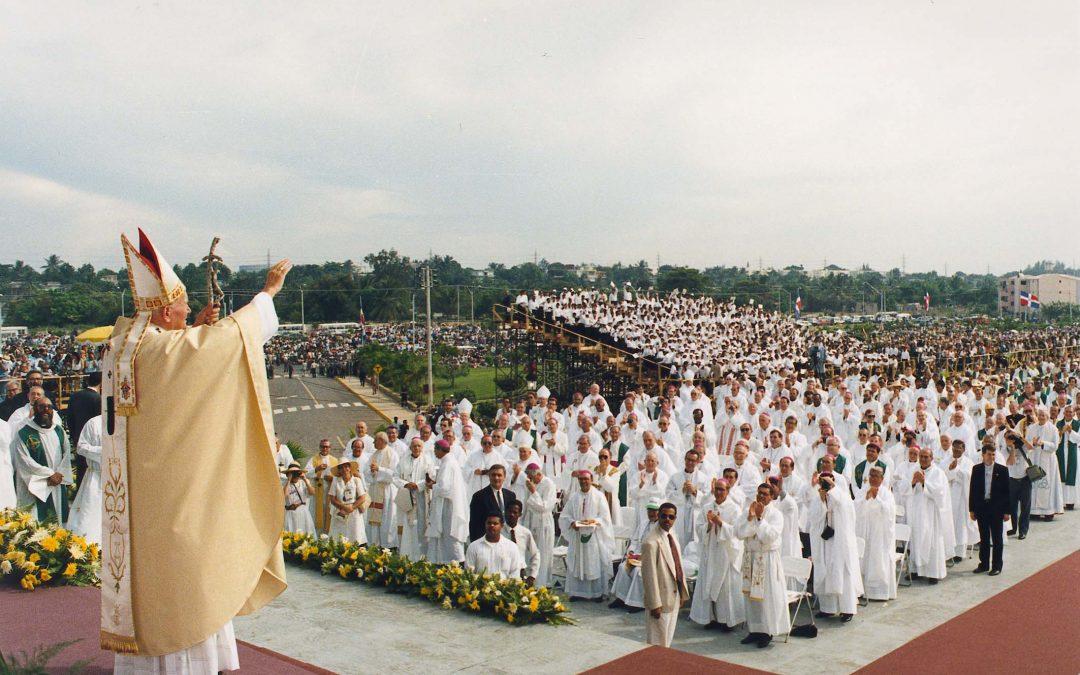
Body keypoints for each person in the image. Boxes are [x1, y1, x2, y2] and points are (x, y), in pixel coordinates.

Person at [102, 230, 290, 670]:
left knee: (156, 580)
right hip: (174, 499)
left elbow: (180, 359)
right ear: (167, 311)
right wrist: (266, 295)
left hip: (140, 497)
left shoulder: (126, 345)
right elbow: (227, 342)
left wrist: (194, 328)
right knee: (190, 580)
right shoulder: (168, 348)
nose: (190, 311)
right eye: (184, 307)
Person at [736, 483, 790, 648]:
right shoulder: (748, 510)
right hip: (750, 557)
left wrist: (759, 519)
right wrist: (751, 518)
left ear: (772, 496)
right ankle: (754, 629)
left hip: (766, 559)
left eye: (765, 494)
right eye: (759, 493)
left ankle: (766, 632)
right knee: (751, 598)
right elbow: (739, 533)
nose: (760, 497)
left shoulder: (776, 514)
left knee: (766, 597)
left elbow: (770, 536)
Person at [689, 479, 745, 631]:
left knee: (725, 587)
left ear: (728, 491)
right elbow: (699, 528)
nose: (719, 492)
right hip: (711, 551)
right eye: (717, 489)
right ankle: (710, 617)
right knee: (708, 582)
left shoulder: (734, 509)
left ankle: (727, 620)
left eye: (722, 490)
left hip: (725, 553)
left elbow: (737, 532)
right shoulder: (707, 507)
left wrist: (721, 523)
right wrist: (708, 524)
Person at [808, 472, 862, 621]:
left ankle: (848, 609)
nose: (825, 486)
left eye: (829, 483)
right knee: (825, 571)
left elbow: (842, 507)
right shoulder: (818, 498)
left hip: (840, 543)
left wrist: (832, 488)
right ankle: (828, 608)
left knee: (843, 573)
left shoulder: (845, 499)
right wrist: (821, 500)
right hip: (824, 543)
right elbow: (813, 518)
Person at [12, 397, 72, 521]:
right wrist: (50, 474)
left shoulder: (59, 431)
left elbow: (66, 454)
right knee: (38, 524)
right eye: (41, 406)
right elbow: (24, 461)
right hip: (37, 486)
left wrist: (59, 473)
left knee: (59, 519)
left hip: (57, 482)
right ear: (34, 409)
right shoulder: (24, 433)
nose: (46, 409)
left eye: (49, 407)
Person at [640, 502, 690, 648]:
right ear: (658, 516)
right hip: (660, 602)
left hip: (673, 598)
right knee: (656, 644)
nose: (667, 519)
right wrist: (655, 604)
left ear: (675, 519)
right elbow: (649, 576)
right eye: (664, 516)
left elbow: (677, 566)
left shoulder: (671, 536)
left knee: (666, 642)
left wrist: (681, 593)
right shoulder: (650, 542)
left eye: (671, 517)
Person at [559, 470, 614, 601]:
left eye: (586, 479)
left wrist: (594, 521)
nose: (583, 482)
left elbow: (605, 517)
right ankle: (577, 592)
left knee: (593, 562)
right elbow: (564, 515)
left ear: (591, 480)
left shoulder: (599, 496)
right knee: (578, 562)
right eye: (581, 479)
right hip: (578, 536)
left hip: (594, 537)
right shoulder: (574, 497)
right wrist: (572, 523)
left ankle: (596, 593)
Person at [906, 448, 955, 584]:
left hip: (931, 513)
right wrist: (912, 482)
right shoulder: (914, 470)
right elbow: (904, 489)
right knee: (916, 539)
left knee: (932, 542)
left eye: (926, 457)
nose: (923, 459)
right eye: (921, 456)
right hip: (916, 512)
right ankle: (916, 570)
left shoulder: (938, 473)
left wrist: (923, 482)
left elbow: (940, 494)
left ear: (932, 458)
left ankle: (933, 573)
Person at [854, 466, 897, 601]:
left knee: (879, 561)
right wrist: (866, 498)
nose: (872, 478)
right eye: (871, 475)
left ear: (882, 479)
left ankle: (879, 593)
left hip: (880, 534)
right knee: (865, 558)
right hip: (865, 531)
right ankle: (864, 591)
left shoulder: (886, 493)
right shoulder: (863, 491)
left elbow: (890, 512)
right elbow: (855, 507)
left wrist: (877, 498)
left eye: (876, 476)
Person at [609, 502, 659, 613]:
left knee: (637, 571)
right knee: (622, 567)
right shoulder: (643, 524)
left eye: (654, 511)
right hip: (637, 557)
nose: (651, 513)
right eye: (649, 510)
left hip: (651, 560)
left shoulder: (661, 527)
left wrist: (643, 556)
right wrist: (631, 551)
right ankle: (621, 598)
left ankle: (638, 603)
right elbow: (635, 540)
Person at [969, 445, 1010, 576]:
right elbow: (973, 490)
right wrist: (972, 509)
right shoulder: (977, 469)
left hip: (996, 509)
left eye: (993, 455)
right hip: (982, 508)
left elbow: (1006, 492)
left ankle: (997, 565)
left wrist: (1007, 511)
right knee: (984, 537)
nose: (991, 457)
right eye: (989, 454)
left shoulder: (1002, 470)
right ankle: (984, 564)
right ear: (983, 455)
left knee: (997, 538)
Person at [426, 440, 469, 564]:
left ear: (440, 450)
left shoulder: (448, 463)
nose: (434, 452)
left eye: (435, 449)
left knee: (450, 536)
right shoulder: (449, 461)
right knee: (445, 536)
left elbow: (445, 489)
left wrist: (432, 486)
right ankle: (442, 562)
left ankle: (458, 562)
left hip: (448, 507)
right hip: (447, 504)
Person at [393, 437, 433, 560]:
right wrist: (406, 484)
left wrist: (418, 485)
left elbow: (431, 476)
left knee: (420, 527)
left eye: (418, 446)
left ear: (422, 448)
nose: (416, 448)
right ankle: (407, 555)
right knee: (407, 527)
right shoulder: (403, 460)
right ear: (410, 448)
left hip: (421, 498)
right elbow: (395, 477)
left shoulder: (427, 460)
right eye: (414, 446)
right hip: (406, 497)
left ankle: (421, 557)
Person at [65, 415, 102, 544]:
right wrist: (104, 451)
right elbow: (81, 447)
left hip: (119, 477)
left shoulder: (125, 421)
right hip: (96, 476)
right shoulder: (94, 423)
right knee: (89, 515)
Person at [522, 463, 557, 588]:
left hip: (544, 522)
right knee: (529, 551)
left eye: (531, 477)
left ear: (538, 474)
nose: (530, 480)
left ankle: (541, 582)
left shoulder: (549, 484)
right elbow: (526, 503)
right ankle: (529, 579)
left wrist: (533, 491)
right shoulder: (530, 483)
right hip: (530, 521)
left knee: (543, 552)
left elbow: (544, 507)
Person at [945, 440, 978, 564]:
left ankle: (959, 552)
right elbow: (942, 474)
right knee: (949, 524)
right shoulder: (946, 460)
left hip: (961, 497)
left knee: (960, 525)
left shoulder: (968, 462)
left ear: (963, 449)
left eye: (959, 449)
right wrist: (950, 470)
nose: (956, 451)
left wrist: (956, 470)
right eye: (954, 449)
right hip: (949, 496)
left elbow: (969, 476)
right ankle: (949, 551)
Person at [464, 512, 525, 580]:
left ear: (501, 526)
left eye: (495, 523)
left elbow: (515, 573)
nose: (491, 525)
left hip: (504, 589)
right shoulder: (474, 546)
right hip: (479, 588)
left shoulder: (511, 547)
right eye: (489, 523)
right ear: (485, 524)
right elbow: (469, 573)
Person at [364, 432, 398, 548]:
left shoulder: (392, 454)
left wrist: (379, 469)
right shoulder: (373, 455)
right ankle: (374, 543)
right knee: (373, 518)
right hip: (375, 490)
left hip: (387, 491)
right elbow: (366, 472)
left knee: (386, 519)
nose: (373, 442)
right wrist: (372, 473)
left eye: (375, 440)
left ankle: (387, 545)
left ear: (382, 441)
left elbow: (394, 474)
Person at [468, 464, 516, 543]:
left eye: (499, 475)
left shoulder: (511, 495)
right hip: (488, 540)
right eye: (493, 475)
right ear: (489, 476)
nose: (496, 478)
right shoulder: (479, 496)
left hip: (507, 540)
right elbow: (474, 524)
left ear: (504, 477)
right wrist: (476, 544)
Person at [328, 460, 368, 543]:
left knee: (355, 537)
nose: (344, 469)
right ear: (339, 470)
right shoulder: (335, 480)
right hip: (340, 511)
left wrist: (352, 507)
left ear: (350, 468)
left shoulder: (356, 480)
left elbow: (362, 497)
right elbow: (332, 498)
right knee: (338, 538)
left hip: (354, 511)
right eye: (341, 467)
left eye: (346, 466)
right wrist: (344, 507)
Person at [305, 439, 339, 534]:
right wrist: (317, 469)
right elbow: (306, 473)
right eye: (323, 446)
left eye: (327, 447)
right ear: (320, 447)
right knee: (317, 513)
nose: (324, 448)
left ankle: (328, 536)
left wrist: (332, 479)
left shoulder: (335, 460)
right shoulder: (313, 459)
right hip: (318, 491)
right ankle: (317, 536)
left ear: (330, 448)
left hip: (330, 491)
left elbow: (339, 476)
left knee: (329, 513)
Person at [503, 500, 540, 585]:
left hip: (520, 573)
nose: (512, 515)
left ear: (520, 514)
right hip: (503, 573)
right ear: (505, 512)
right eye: (509, 511)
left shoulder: (525, 532)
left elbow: (535, 554)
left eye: (515, 512)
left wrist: (532, 576)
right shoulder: (499, 532)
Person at [283, 463, 317, 536]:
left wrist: (305, 479)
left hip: (302, 512)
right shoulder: (285, 484)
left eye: (296, 473)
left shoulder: (303, 482)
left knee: (304, 533)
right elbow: (284, 495)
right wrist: (289, 480)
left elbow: (312, 492)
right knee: (291, 534)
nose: (295, 475)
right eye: (293, 473)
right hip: (290, 513)